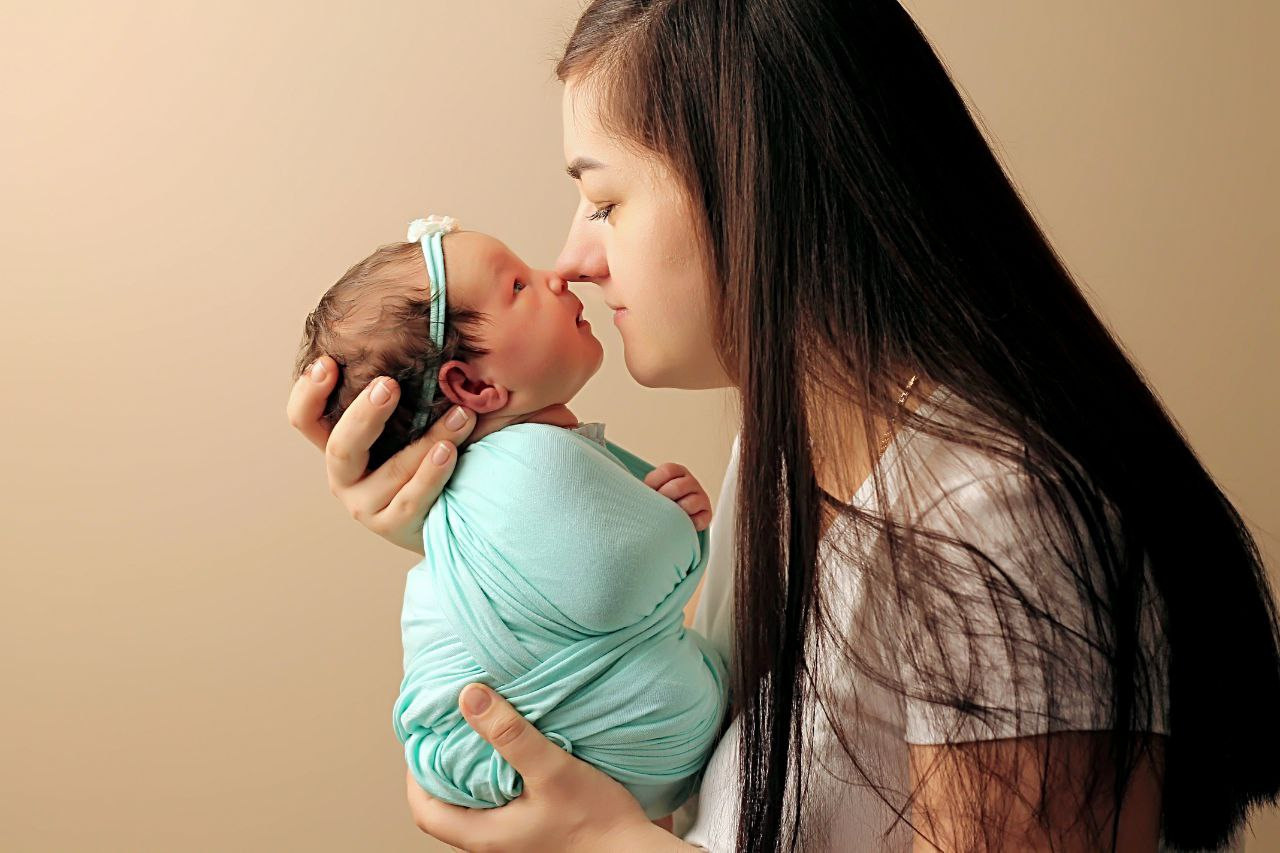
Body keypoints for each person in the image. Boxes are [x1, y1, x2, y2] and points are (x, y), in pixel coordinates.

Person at [286, 1, 1280, 850]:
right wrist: (460, 527)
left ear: (754, 188)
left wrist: (605, 841)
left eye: (601, 200)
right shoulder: (779, 460)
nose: (572, 259)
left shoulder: (991, 522)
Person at [290, 214, 729, 823]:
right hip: (545, 751)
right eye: (517, 286)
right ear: (472, 385)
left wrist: (666, 514)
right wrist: (678, 524)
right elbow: (625, 573)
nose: (556, 276)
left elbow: (604, 579)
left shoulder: (516, 470)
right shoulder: (524, 459)